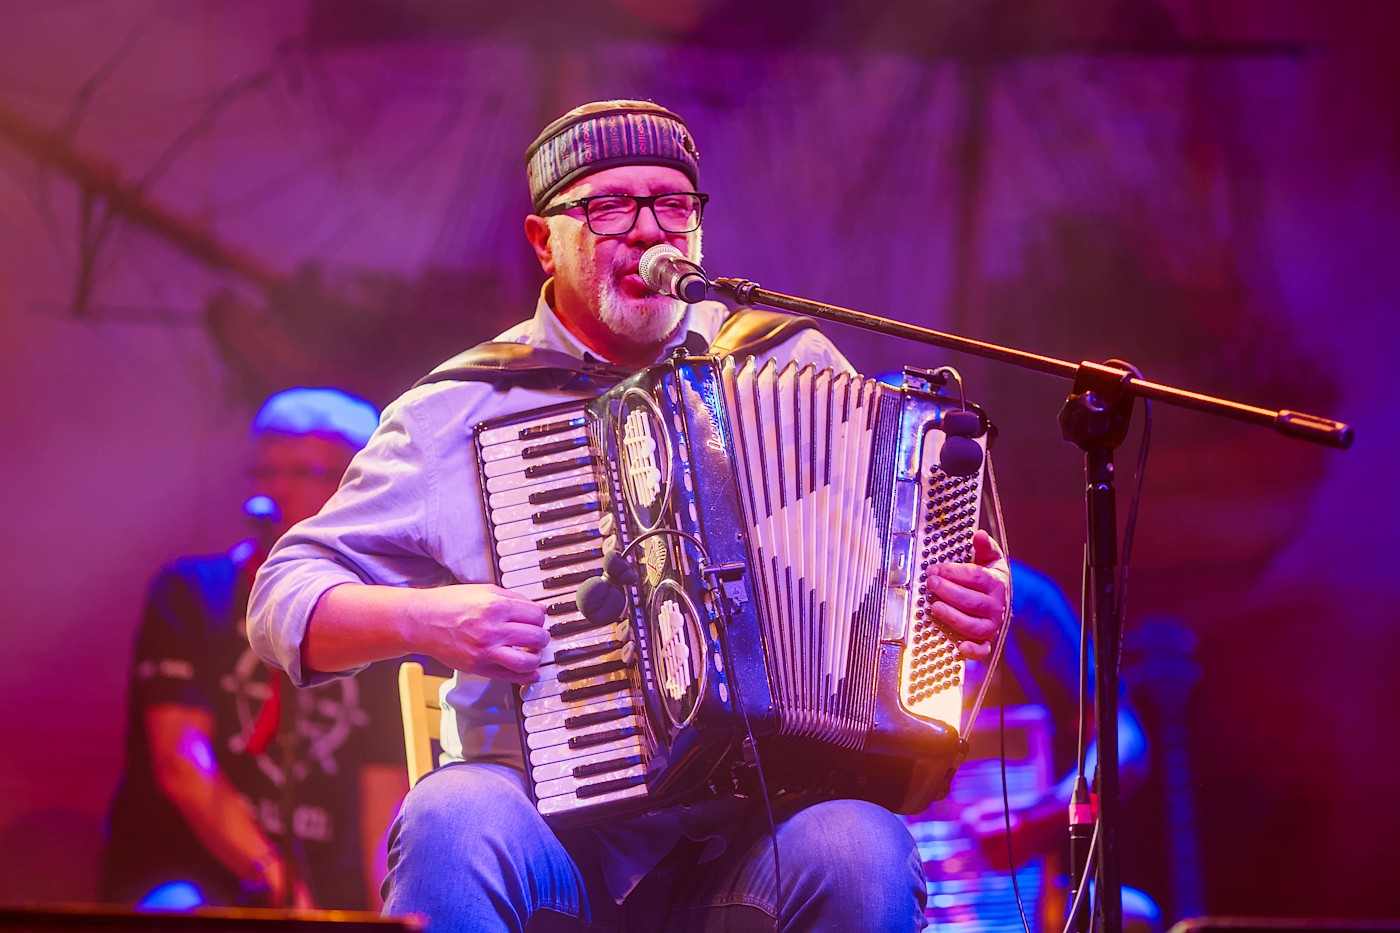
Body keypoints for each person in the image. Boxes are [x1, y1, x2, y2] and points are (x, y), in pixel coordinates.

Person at [248, 100, 1011, 932]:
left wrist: (968, 599)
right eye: (609, 206)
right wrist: (425, 618)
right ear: (545, 240)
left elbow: (905, 568)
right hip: (548, 834)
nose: (649, 233)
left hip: (756, 832)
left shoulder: (789, 363)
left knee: (861, 844)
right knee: (452, 815)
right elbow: (282, 598)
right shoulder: (461, 408)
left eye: (673, 205)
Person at [99, 387, 407, 911]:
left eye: (303, 472)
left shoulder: (379, 620)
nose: (272, 491)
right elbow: (181, 762)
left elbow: (384, 798)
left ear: (355, 487)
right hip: (191, 878)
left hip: (324, 889)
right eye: (265, 471)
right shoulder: (191, 592)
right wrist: (277, 881)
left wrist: (387, 912)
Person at [902, 559, 1157, 933]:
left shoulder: (1027, 600)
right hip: (898, 892)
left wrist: (1040, 818)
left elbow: (1126, 744)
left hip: (1027, 899)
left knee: (1136, 917)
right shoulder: (867, 600)